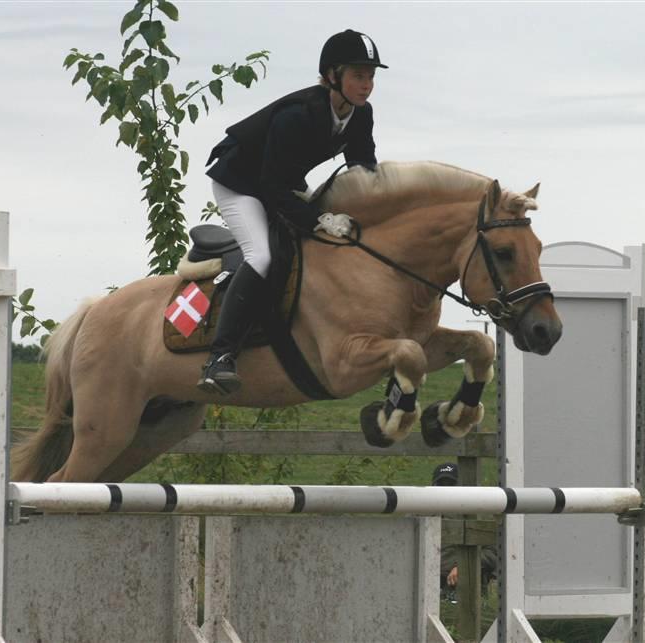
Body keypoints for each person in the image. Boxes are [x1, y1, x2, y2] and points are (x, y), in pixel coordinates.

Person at [197, 29, 388, 394]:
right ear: (333, 75)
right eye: (358, 76)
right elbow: (270, 187)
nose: (367, 85)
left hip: (282, 181)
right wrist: (318, 220)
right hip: (240, 183)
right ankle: (219, 357)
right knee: (262, 256)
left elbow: (363, 168)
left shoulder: (361, 115)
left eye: (371, 77)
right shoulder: (298, 114)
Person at [432, 462, 498, 603]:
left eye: (451, 484)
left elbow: (494, 551)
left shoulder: (478, 514)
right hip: (427, 581)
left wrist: (463, 567)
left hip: (466, 584)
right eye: (441, 484)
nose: (446, 489)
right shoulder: (420, 512)